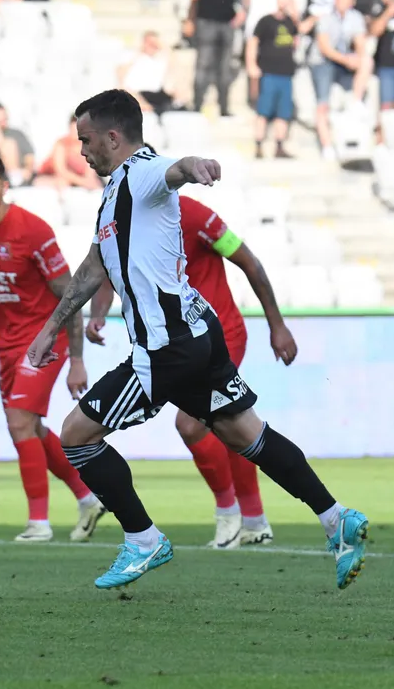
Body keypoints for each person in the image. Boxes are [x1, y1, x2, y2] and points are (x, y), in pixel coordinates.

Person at [25, 89, 369, 591]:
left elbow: (173, 170)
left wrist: (195, 166)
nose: (81, 150)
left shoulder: (142, 172)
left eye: (86, 140)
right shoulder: (115, 194)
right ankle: (336, 519)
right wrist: (52, 327)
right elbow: (94, 267)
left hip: (167, 347)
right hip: (197, 332)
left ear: (113, 137)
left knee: (76, 436)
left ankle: (142, 539)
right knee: (244, 433)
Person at [86, 193, 298, 550]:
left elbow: (249, 262)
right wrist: (97, 314)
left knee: (191, 424)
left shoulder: (196, 216)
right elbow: (107, 273)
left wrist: (277, 325)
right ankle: (255, 521)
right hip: (175, 343)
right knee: (231, 423)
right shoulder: (123, 218)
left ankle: (229, 514)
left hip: (221, 332)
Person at [0, 153, 107, 542]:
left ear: (4, 187)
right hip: (8, 343)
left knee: (19, 422)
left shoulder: (32, 231)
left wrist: (77, 360)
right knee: (30, 427)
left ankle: (39, 522)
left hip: (45, 341)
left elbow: (71, 293)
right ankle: (88, 498)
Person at [307, 0, 373, 159]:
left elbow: (360, 43)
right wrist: (346, 60)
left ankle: (356, 100)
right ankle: (327, 146)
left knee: (367, 60)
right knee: (322, 103)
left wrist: (356, 58)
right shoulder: (326, 18)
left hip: (343, 61)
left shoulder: (355, 18)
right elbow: (325, 48)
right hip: (323, 62)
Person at [246, 0, 312, 158]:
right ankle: (258, 145)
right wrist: (251, 64)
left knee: (283, 111)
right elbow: (253, 42)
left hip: (286, 73)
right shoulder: (266, 21)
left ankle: (279, 146)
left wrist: (296, 12)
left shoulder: (291, 23)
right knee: (264, 109)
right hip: (269, 72)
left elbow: (301, 31)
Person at [186, 0, 245, 115]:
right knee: (203, 65)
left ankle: (224, 107)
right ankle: (197, 105)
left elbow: (239, 1)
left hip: (227, 24)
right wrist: (190, 19)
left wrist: (241, 13)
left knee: (225, 68)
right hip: (206, 22)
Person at [34, 116, 103, 191]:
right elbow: (61, 171)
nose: (75, 134)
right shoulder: (61, 144)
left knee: (96, 183)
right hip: (49, 176)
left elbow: (90, 172)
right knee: (62, 182)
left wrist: (89, 181)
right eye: (72, 130)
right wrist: (83, 182)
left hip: (75, 179)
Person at [0, 103, 36, 187]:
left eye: (4, 114)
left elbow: (29, 155)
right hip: (3, 176)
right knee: (8, 143)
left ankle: (17, 178)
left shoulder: (18, 133)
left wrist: (28, 170)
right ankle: (14, 177)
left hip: (24, 176)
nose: (3, 117)